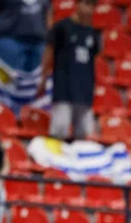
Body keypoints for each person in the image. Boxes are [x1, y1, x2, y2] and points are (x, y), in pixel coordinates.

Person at [45, 0, 98, 141]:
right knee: (59, 132)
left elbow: (95, 61)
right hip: (64, 88)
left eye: (92, 6)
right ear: (77, 4)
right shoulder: (62, 27)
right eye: (86, 4)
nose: (88, 9)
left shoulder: (93, 33)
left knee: (83, 134)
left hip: (85, 91)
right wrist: (43, 78)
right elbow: (48, 52)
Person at [0, 0, 50, 76]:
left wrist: (50, 41)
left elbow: (48, 12)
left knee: (35, 80)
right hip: (8, 40)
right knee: (10, 79)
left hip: (39, 41)